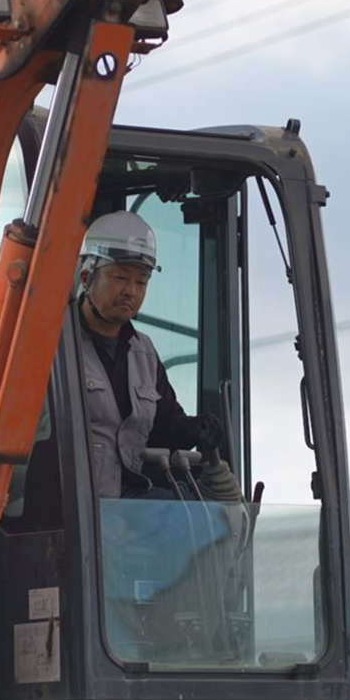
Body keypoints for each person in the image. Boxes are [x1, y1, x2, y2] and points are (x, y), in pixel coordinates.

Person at [77, 210, 225, 499]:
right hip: (74, 510)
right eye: (120, 277)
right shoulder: (53, 343)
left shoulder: (143, 352)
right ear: (86, 277)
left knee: (206, 520)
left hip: (129, 503)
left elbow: (163, 428)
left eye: (141, 282)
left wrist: (194, 428)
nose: (130, 291)